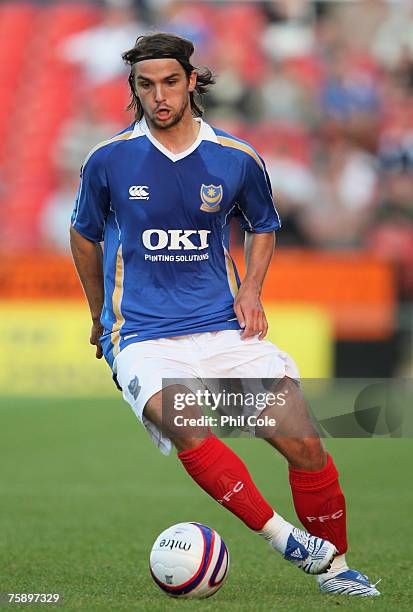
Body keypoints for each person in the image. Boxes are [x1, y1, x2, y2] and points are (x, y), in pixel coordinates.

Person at [70, 32, 379, 597]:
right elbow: (84, 235)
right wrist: (99, 314)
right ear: (133, 90)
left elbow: (264, 224)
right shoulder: (108, 160)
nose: (158, 96)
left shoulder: (235, 158)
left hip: (223, 330)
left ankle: (337, 570)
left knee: (306, 444)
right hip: (142, 335)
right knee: (184, 423)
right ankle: (287, 539)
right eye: (145, 85)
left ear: (192, 81)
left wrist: (253, 289)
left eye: (169, 82)